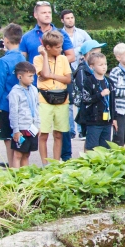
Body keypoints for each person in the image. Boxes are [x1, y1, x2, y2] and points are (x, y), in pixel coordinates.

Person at [33, 31, 73, 164]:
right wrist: (44, 56)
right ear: (48, 47)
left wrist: (51, 75)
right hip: (45, 99)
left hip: (62, 99)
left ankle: (56, 163)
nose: (60, 50)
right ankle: (45, 164)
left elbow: (68, 79)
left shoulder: (63, 59)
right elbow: (44, 73)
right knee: (43, 133)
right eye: (57, 47)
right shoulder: (38, 58)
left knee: (59, 133)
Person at [0, 23, 25, 166]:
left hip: (6, 105)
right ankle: (21, 164)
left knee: (8, 137)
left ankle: (11, 165)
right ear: (20, 40)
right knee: (20, 136)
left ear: (5, 40)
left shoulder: (3, 61)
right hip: (22, 105)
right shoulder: (23, 59)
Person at [75, 48, 115, 150]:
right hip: (93, 120)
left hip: (107, 120)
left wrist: (114, 118)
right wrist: (100, 94)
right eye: (100, 65)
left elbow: (112, 101)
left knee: (105, 146)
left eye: (105, 64)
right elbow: (86, 99)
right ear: (92, 66)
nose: (104, 67)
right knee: (91, 146)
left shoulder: (109, 81)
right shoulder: (89, 81)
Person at [7, 61, 41, 168]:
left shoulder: (34, 90)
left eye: (33, 76)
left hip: (32, 127)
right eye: (30, 76)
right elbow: (13, 112)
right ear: (19, 76)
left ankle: (25, 176)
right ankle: (17, 177)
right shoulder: (15, 92)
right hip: (21, 128)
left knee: (27, 154)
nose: (32, 79)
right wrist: (16, 130)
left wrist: (38, 125)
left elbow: (36, 108)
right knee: (18, 154)